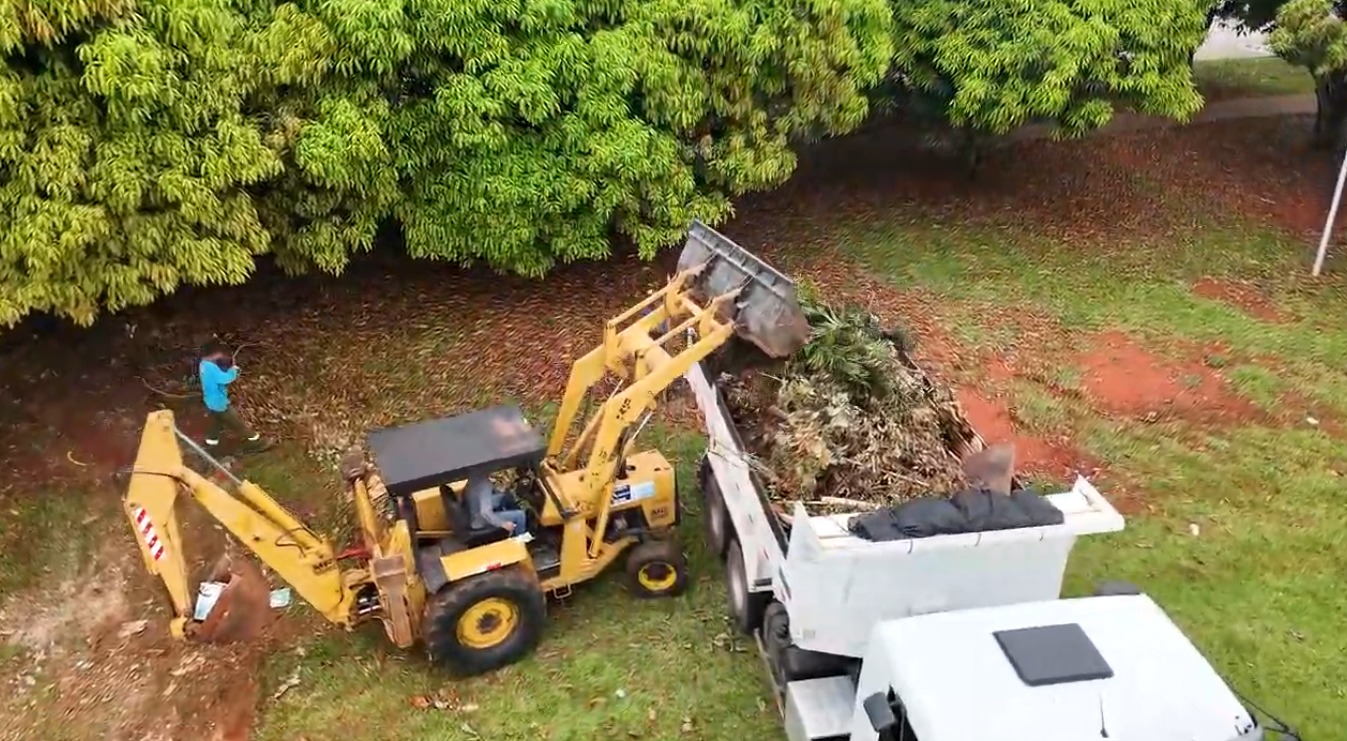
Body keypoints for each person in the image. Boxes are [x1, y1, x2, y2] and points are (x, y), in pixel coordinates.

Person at [198, 341, 268, 452]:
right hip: (219, 402)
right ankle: (255, 441)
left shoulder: (203, 365)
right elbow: (225, 379)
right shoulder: (211, 367)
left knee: (216, 422)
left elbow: (214, 376)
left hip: (210, 401)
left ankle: (211, 443)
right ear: (213, 354)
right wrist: (233, 370)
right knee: (236, 422)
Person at [464, 470, 528, 535]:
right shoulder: (485, 485)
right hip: (480, 520)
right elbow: (485, 513)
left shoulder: (474, 478)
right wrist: (503, 524)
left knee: (503, 497)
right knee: (520, 515)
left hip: (474, 511)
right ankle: (520, 537)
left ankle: (508, 513)